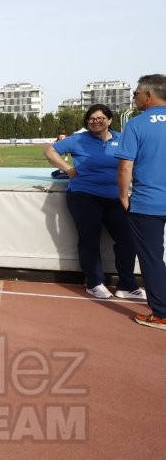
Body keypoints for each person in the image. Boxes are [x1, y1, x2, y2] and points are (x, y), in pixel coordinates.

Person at [44, 105, 144, 300]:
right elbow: (50, 152)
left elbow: (133, 162)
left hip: (115, 196)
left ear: (109, 120)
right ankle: (94, 282)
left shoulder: (121, 139)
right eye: (91, 118)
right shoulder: (78, 139)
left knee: (128, 240)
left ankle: (126, 285)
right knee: (89, 239)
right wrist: (68, 169)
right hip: (84, 195)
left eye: (100, 118)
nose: (95, 121)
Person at [115, 74, 166, 331]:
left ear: (148, 95)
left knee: (152, 258)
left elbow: (125, 166)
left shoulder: (136, 125)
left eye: (135, 94)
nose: (134, 98)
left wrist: (123, 196)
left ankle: (162, 314)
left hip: (149, 203)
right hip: (151, 202)